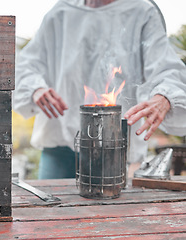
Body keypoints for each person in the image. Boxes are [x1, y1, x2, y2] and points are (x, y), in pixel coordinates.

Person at [13, 0, 186, 179]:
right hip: (60, 144)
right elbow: (26, 65)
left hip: (112, 147)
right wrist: (35, 88)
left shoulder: (142, 12)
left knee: (106, 205)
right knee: (50, 205)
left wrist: (164, 96)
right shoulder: (61, 12)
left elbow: (166, 68)